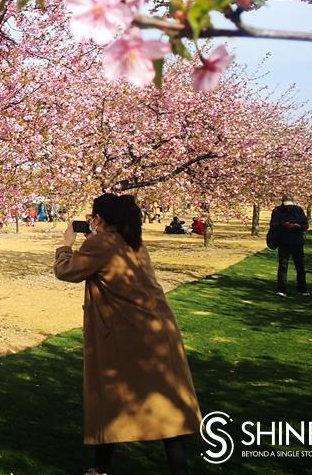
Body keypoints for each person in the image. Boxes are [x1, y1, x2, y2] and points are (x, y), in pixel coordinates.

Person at [55, 194, 201, 475]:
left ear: (100, 218)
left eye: (93, 216)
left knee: (110, 394)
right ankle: (174, 468)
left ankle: (100, 467)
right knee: (166, 405)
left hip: (127, 334)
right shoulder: (134, 242)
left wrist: (66, 244)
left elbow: (66, 271)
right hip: (158, 330)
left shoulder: (101, 243)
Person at [269, 193, 310, 296]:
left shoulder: (298, 210)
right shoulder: (277, 210)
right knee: (283, 266)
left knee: (300, 266)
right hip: (284, 241)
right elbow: (273, 225)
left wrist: (298, 226)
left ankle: (302, 289)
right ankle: (281, 289)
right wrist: (283, 225)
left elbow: (305, 225)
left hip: (297, 242)